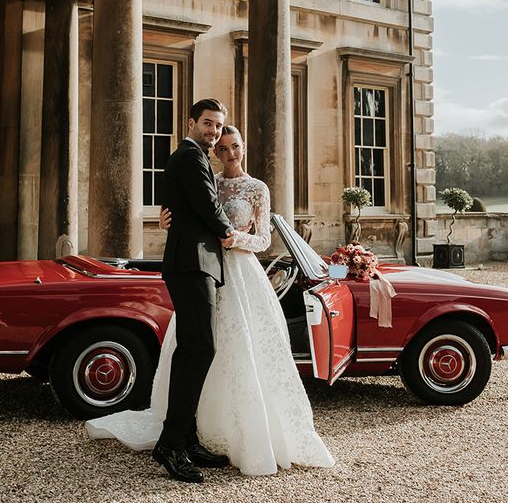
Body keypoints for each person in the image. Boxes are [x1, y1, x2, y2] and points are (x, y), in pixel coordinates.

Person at [86, 124, 334, 479]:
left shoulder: (257, 188)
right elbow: (187, 211)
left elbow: (263, 238)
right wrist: (164, 216)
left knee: (237, 348)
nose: (230, 154)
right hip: (203, 269)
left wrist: (237, 241)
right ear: (215, 152)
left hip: (240, 271)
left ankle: (226, 433)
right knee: (199, 347)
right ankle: (187, 435)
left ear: (243, 147)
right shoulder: (207, 179)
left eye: (235, 147)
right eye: (224, 149)